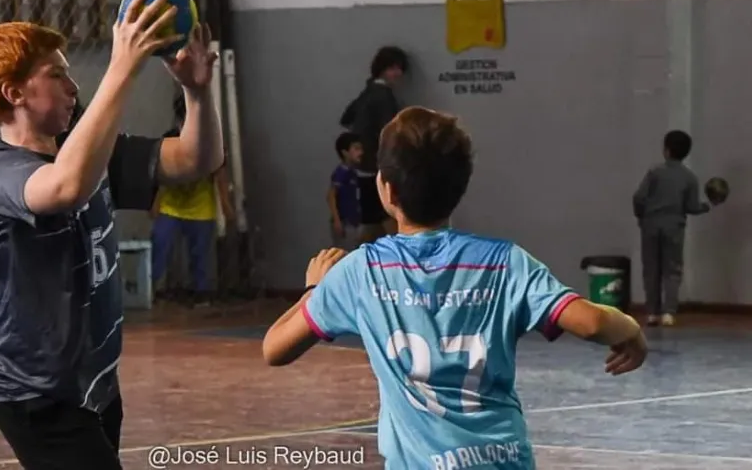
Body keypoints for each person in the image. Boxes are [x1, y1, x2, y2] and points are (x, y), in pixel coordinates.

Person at [262, 107, 648, 469]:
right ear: (460, 186)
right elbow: (593, 322)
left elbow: (274, 348)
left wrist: (315, 291)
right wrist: (630, 330)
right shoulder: (505, 262)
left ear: (387, 190)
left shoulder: (361, 271)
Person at [0, 0, 223, 470]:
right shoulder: (0, 173)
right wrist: (122, 66)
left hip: (92, 380)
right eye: (56, 75)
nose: (72, 87)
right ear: (14, 94)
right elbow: (64, 187)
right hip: (35, 390)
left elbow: (196, 159)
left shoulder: (89, 153)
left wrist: (198, 92)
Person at [150, 94, 235, 306]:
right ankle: (150, 292)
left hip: (201, 208)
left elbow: (220, 173)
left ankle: (201, 294)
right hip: (171, 206)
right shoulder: (169, 138)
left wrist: (225, 204)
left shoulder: (211, 140)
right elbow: (158, 176)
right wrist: (154, 203)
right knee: (159, 248)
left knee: (200, 255)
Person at [632, 129, 716, 327]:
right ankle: (669, 313)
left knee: (651, 269)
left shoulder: (654, 172)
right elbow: (692, 207)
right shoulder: (689, 177)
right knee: (672, 269)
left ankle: (652, 312)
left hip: (651, 224)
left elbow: (639, 197)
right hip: (675, 226)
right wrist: (709, 205)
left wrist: (641, 216)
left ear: (666, 150)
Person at [339, 45, 408, 243]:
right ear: (383, 69)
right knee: (387, 218)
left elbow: (346, 118)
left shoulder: (368, 91)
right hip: (376, 166)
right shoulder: (384, 95)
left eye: (399, 68)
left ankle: (359, 263)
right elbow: (391, 131)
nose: (397, 73)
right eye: (393, 68)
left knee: (372, 221)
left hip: (362, 167)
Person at [326, 131, 363, 251]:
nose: (361, 153)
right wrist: (337, 221)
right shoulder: (342, 172)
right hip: (344, 223)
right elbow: (331, 196)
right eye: (356, 149)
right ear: (345, 152)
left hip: (353, 222)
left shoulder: (353, 173)